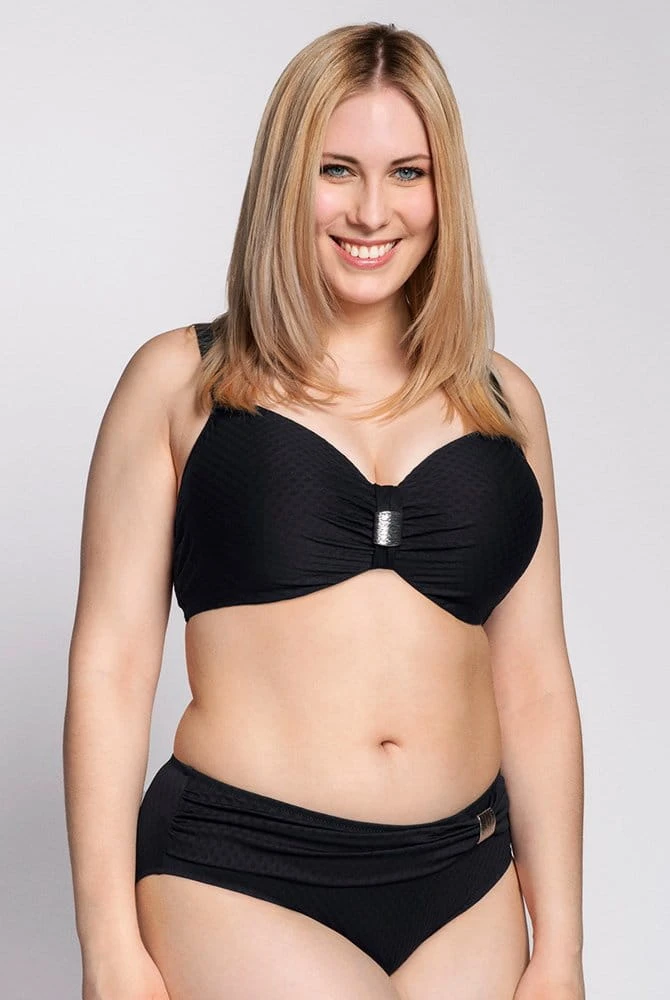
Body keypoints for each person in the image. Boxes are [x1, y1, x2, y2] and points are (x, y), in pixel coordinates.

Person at [63, 21, 585, 1000]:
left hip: (465, 879)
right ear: (284, 179)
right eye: (337, 170)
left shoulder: (505, 403)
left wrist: (559, 945)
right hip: (240, 869)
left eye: (407, 173)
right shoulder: (179, 383)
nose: (372, 211)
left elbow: (534, 683)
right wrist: (107, 947)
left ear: (444, 190)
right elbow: (112, 666)